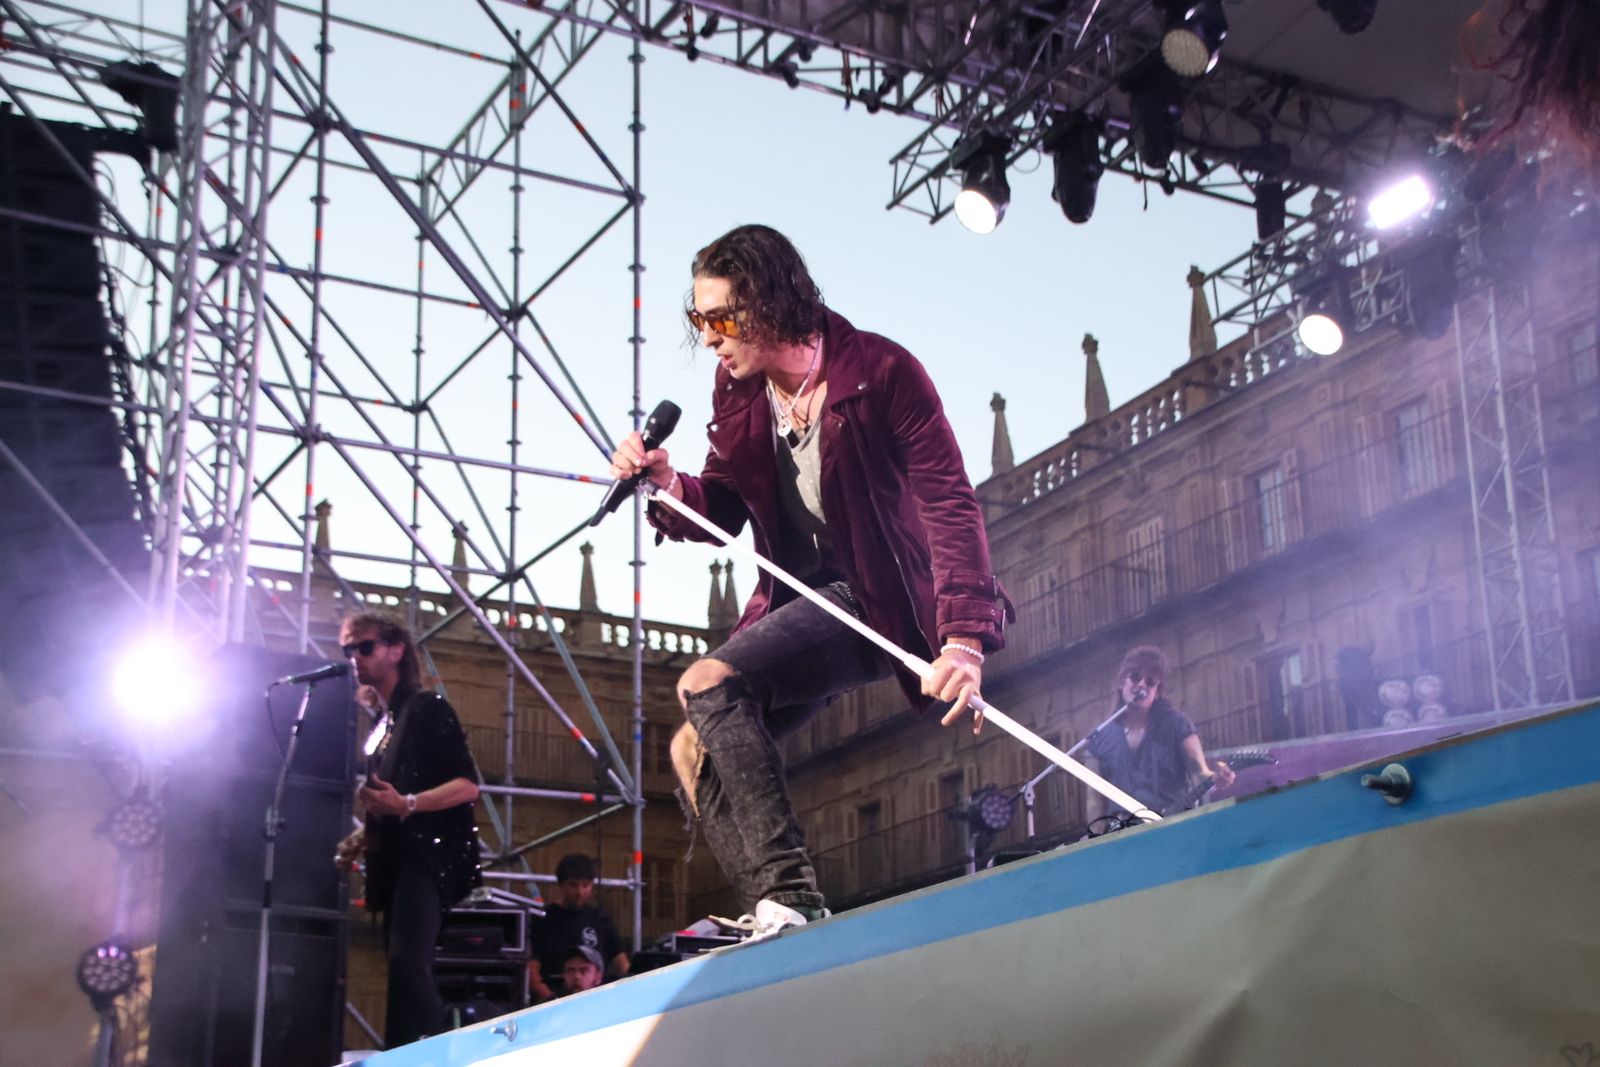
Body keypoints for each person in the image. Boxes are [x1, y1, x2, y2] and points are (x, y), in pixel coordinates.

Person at [607, 224, 1012, 939]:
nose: (708, 337)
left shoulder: (883, 373)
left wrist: (963, 641)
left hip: (881, 598)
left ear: (769, 302)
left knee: (707, 682)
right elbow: (724, 507)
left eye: (720, 318)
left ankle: (789, 895)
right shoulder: (739, 393)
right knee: (689, 747)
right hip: (800, 599)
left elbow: (949, 502)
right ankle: (783, 911)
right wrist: (669, 486)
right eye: (698, 320)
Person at [332, 611, 481, 1048]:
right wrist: (360, 839)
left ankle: (441, 1058)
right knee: (398, 967)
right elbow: (392, 798)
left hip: (429, 854)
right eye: (348, 649)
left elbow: (467, 785)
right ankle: (400, 1053)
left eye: (364, 646)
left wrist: (407, 804)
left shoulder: (426, 707)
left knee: (408, 964)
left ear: (396, 651)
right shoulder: (382, 725)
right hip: (396, 858)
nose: (354, 657)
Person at [1083, 646, 1235, 823]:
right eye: (1135, 677)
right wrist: (1094, 836)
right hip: (1121, 835)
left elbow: (1199, 773)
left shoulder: (1177, 724)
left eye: (1150, 681)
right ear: (1121, 682)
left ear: (1157, 692)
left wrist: (1217, 778)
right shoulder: (1098, 739)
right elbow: (1094, 801)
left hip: (1170, 827)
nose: (1141, 685)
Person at [527, 852, 629, 1001]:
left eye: (585, 885)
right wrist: (551, 999)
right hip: (553, 1001)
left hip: (595, 1002)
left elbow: (622, 963)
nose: (580, 892)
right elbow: (532, 971)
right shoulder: (543, 918)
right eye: (573, 885)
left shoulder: (600, 917)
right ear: (561, 885)